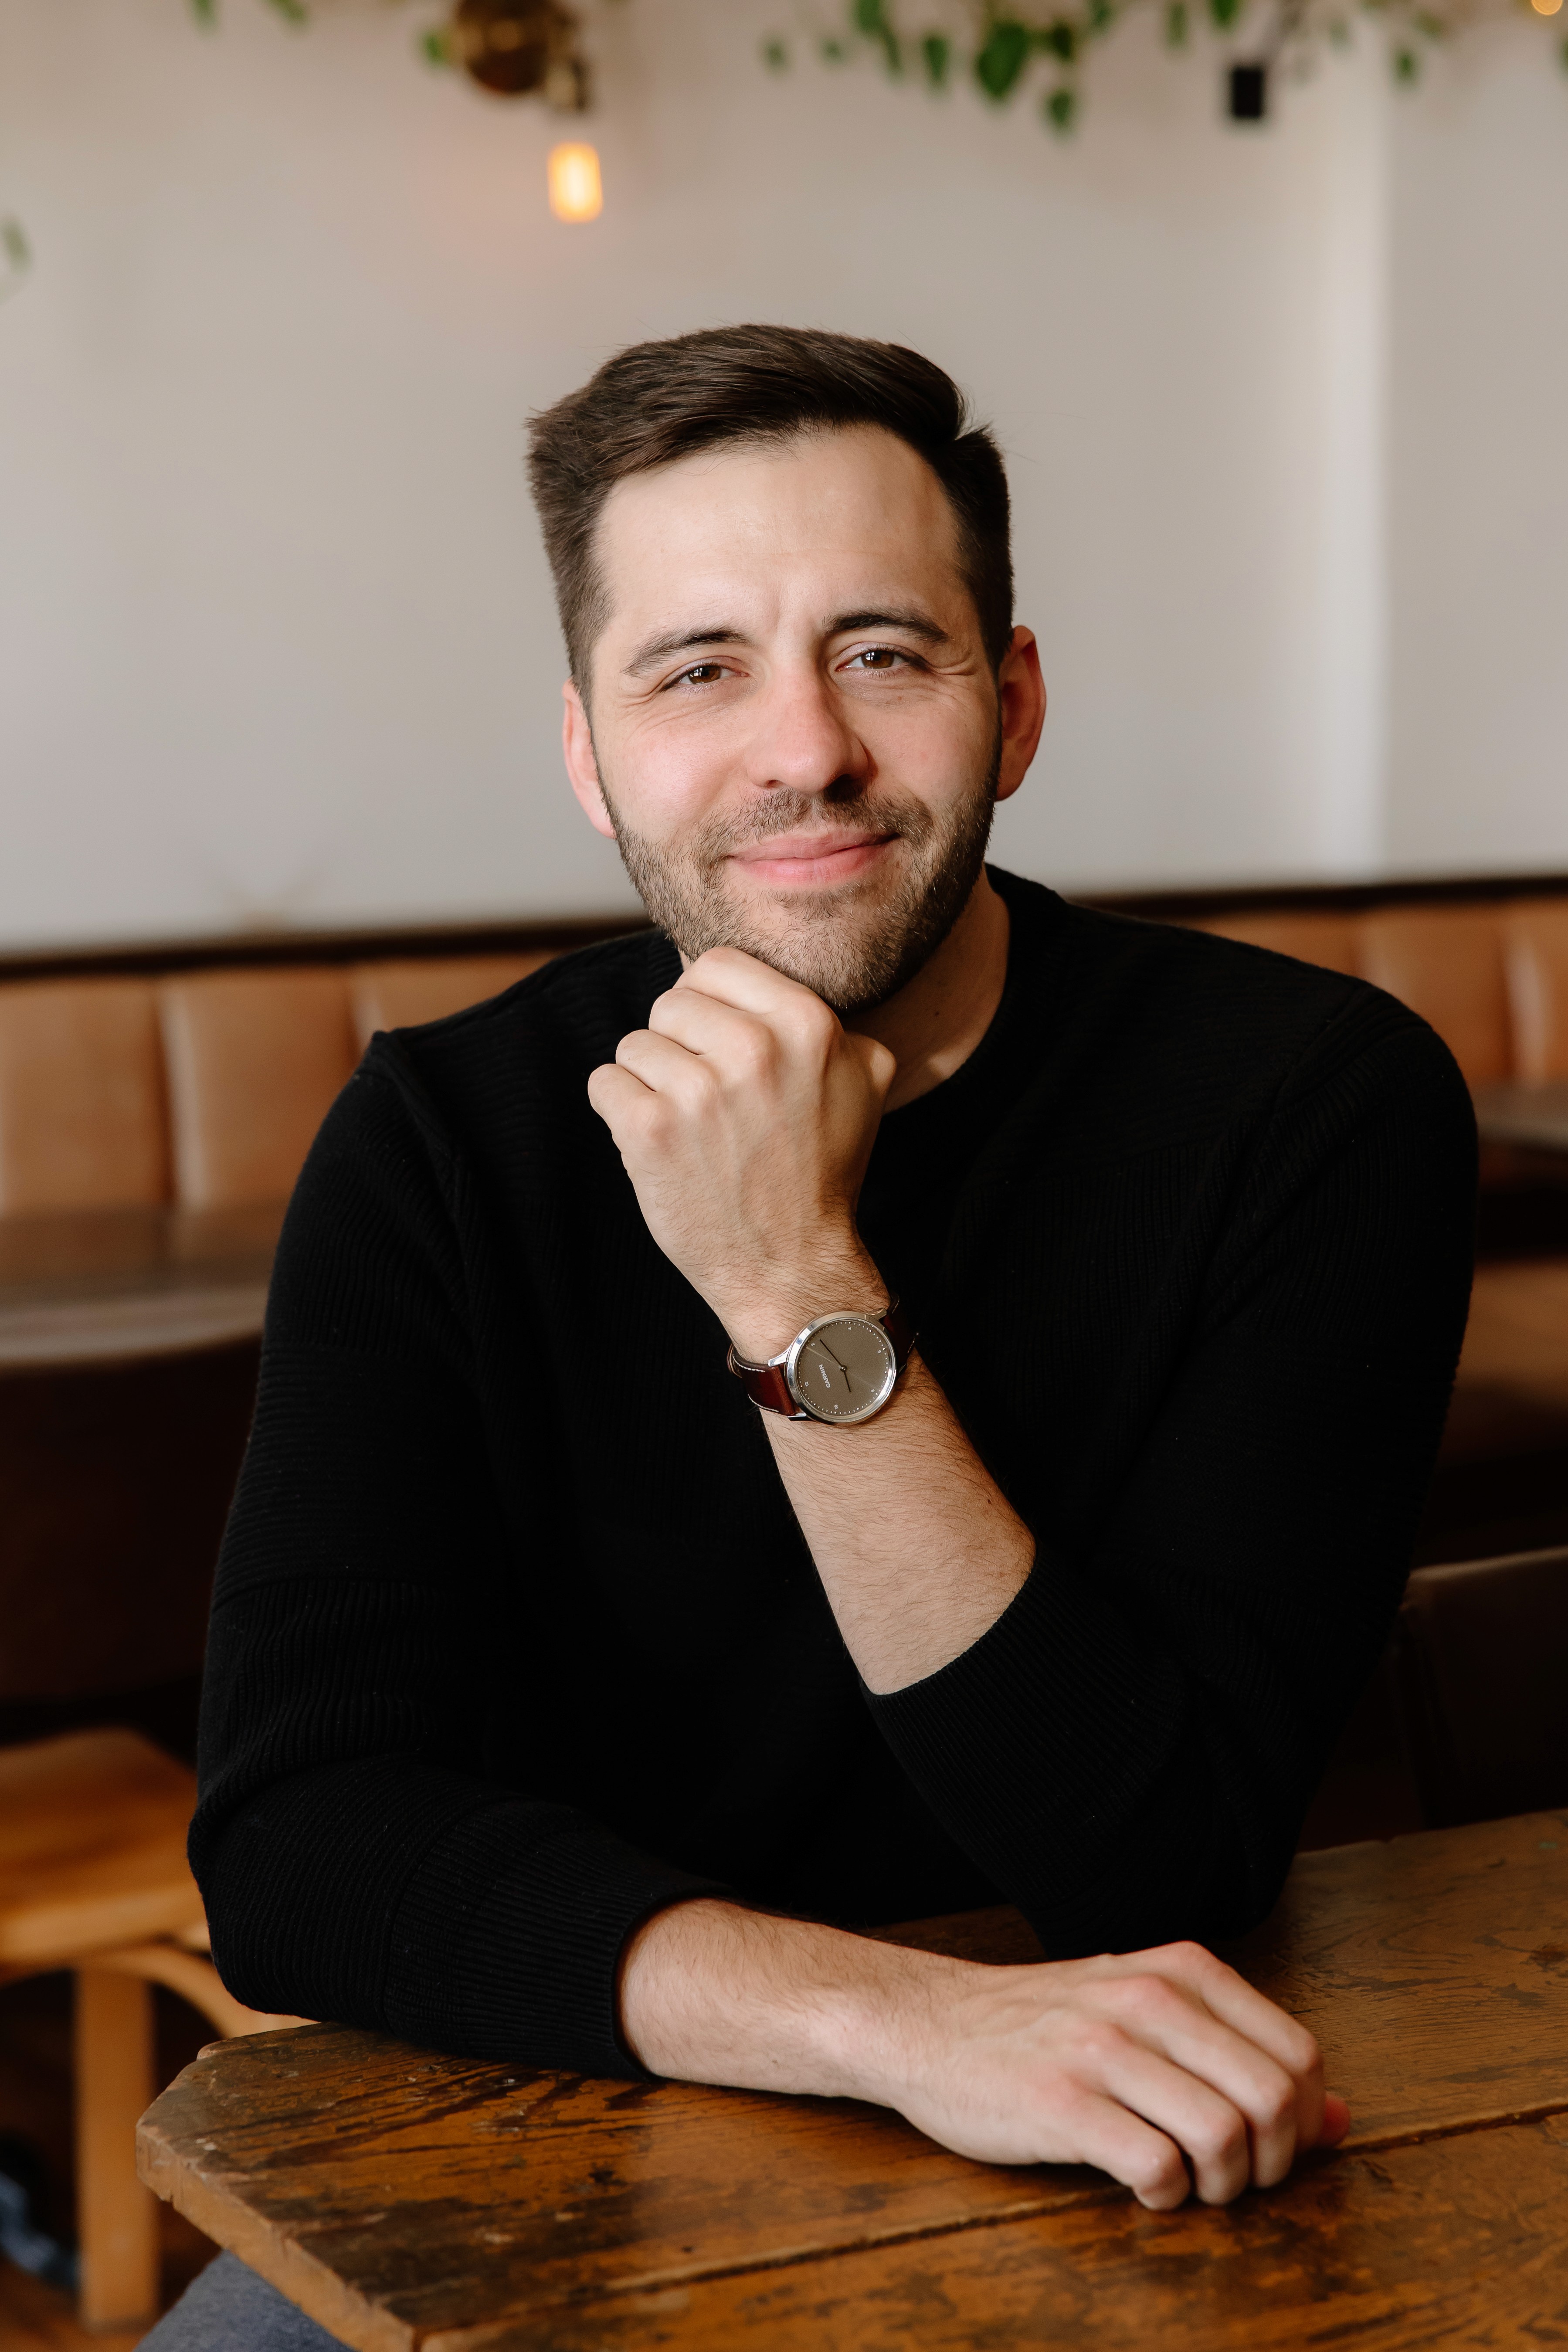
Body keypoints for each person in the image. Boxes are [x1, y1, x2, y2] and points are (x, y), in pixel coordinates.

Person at [147, 326, 1473, 2349]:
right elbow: (305, 1849)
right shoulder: (445, 1139)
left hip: (1127, 2141)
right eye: (698, 671)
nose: (805, 753)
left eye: (883, 651)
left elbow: (1151, 1852)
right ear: (589, 749)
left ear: (1010, 705)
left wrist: (793, 1286)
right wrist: (893, 2023)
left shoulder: (1313, 1106)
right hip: (552, 2120)